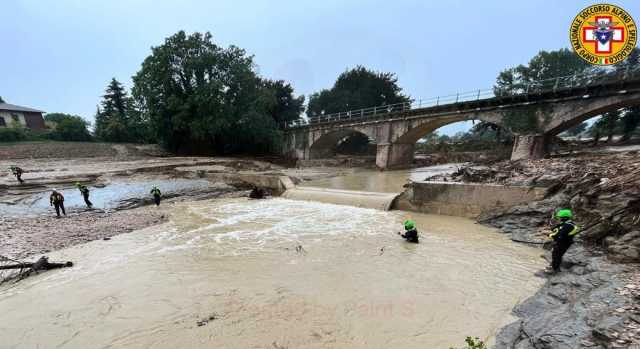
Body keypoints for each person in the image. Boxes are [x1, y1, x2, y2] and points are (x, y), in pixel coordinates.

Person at [546, 209, 580, 274]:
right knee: (555, 254)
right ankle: (554, 266)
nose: (559, 218)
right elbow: (556, 229)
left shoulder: (568, 225)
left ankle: (555, 269)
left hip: (564, 242)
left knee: (557, 255)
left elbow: (559, 234)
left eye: (560, 217)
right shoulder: (568, 223)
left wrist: (550, 235)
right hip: (562, 241)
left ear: (564, 218)